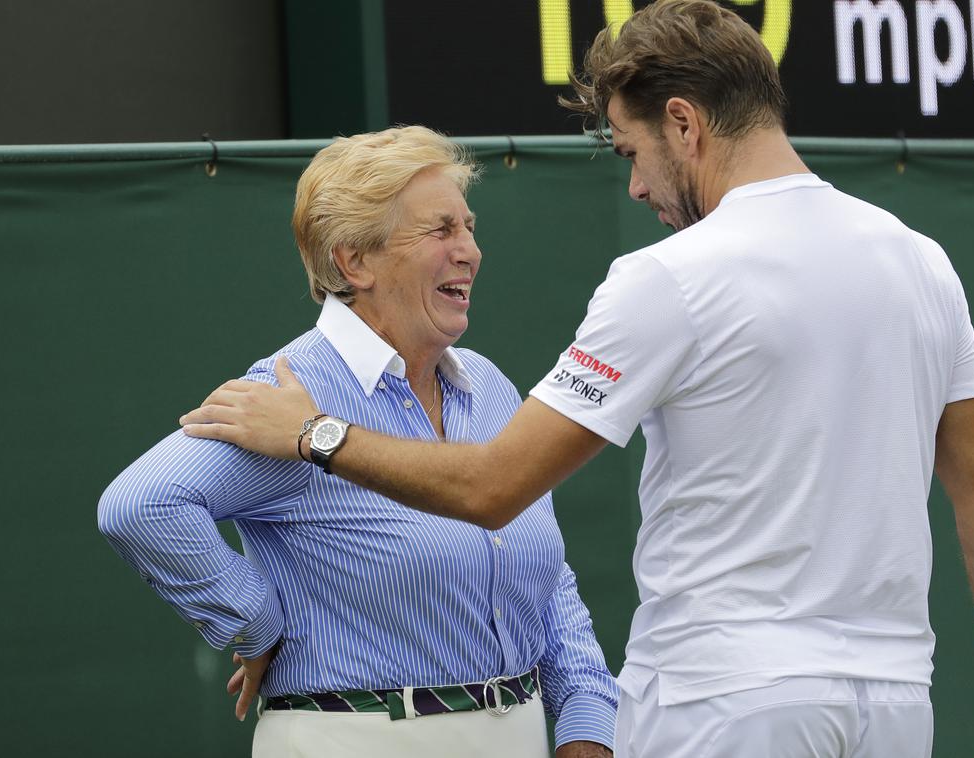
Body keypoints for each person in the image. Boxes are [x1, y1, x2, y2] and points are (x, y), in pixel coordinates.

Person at [179, 2, 974, 757]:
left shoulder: (669, 277)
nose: (636, 185)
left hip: (722, 708)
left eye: (631, 149)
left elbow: (493, 487)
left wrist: (313, 433)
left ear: (686, 124)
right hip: (894, 709)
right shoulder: (922, 263)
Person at [98, 126, 617, 758]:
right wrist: (256, 626)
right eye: (441, 230)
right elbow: (140, 505)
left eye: (469, 226)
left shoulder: (487, 385)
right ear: (355, 261)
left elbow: (548, 576)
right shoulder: (288, 392)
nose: (470, 251)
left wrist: (588, 722)